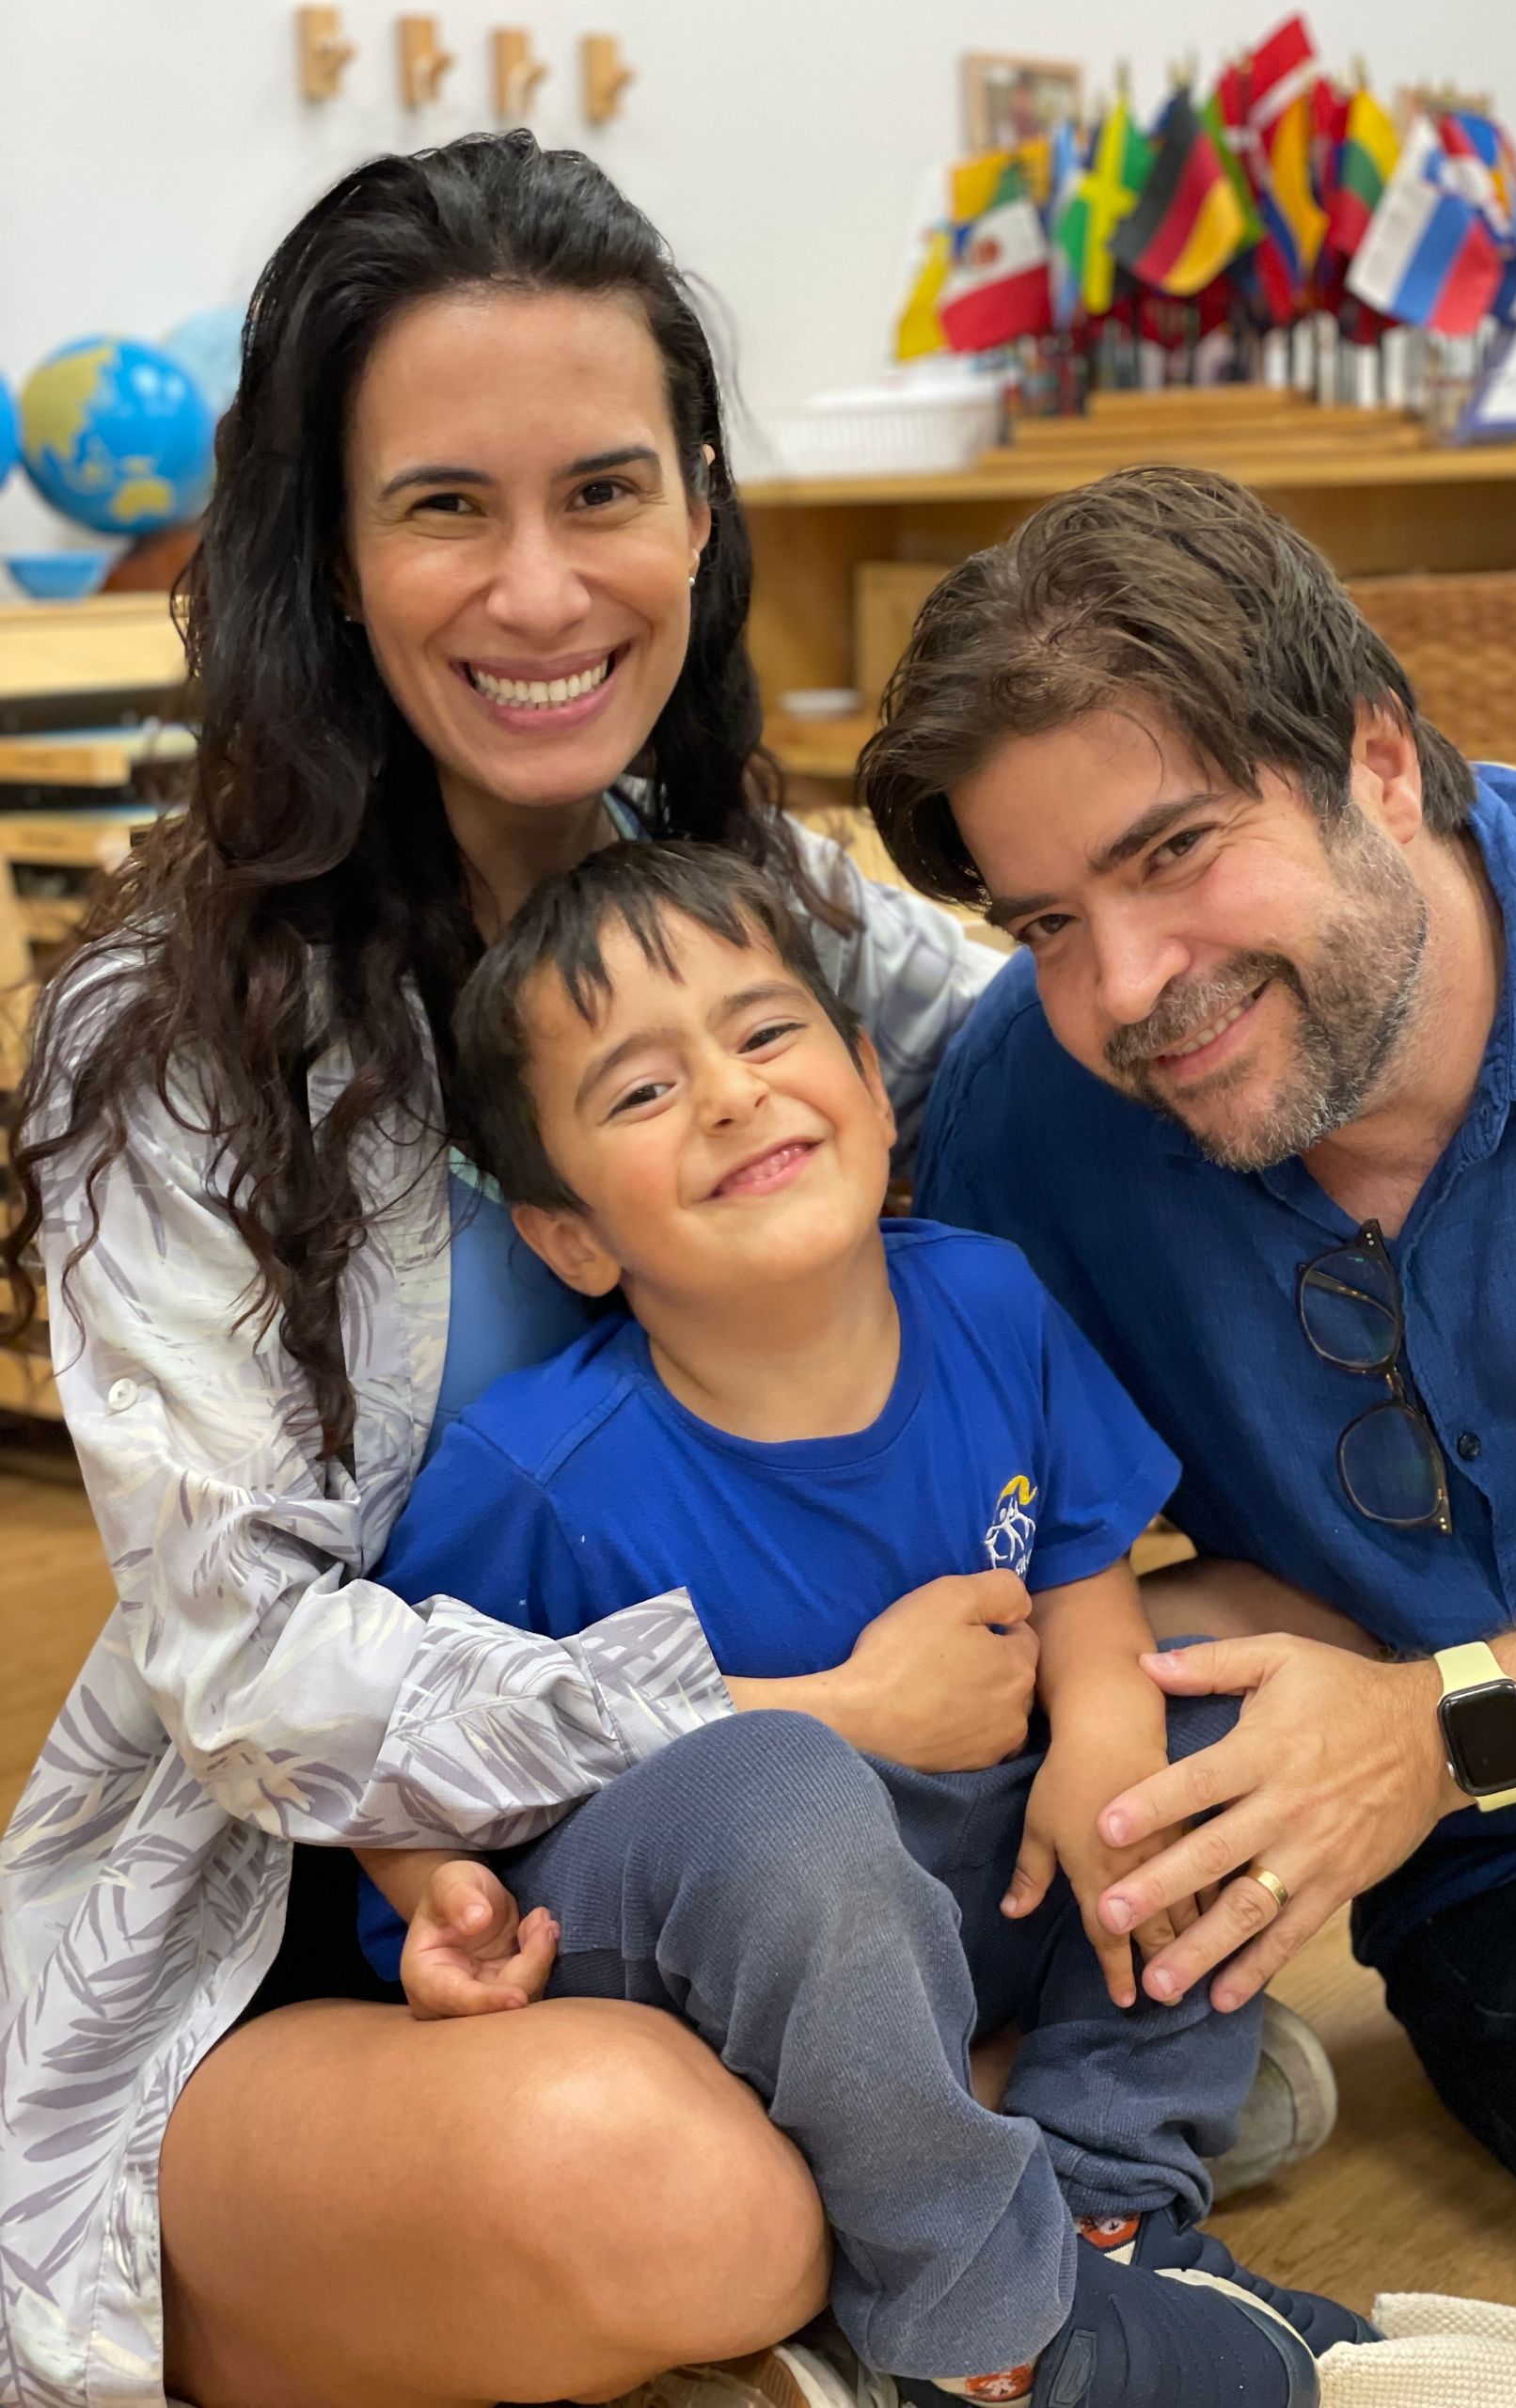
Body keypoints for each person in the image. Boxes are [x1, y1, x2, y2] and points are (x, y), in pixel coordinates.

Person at [0, 134, 1012, 2408]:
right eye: (447, 503)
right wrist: (795, 1719)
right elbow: (256, 1678)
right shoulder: (168, 1029)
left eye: (608, 491)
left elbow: (1039, 1068)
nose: (544, 593)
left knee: (1201, 1674)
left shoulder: (771, 896)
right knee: (681, 2193)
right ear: (329, 556)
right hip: (341, 1924)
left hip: (776, 1845)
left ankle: (863, 2163)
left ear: (703, 510)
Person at [860, 464, 1516, 2326]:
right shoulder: (1012, 1138)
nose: (1129, 985)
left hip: (1453, 1761)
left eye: (1174, 850)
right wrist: (1126, 1636)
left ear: (1380, 759)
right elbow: (979, 1538)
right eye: (1047, 920)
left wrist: (1440, 1717)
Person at [348, 837, 1374, 2408]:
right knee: (784, 1784)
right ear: (570, 1237)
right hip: (709, 1957)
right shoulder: (536, 1478)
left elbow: (1085, 1564)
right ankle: (990, 2336)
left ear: (875, 1094)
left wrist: (1104, 1739)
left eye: (765, 1035)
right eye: (639, 1092)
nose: (731, 1094)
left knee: (1220, 1708)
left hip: (969, 1890)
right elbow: (393, 1734)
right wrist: (437, 1901)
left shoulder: (987, 1301)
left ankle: (1109, 2207)